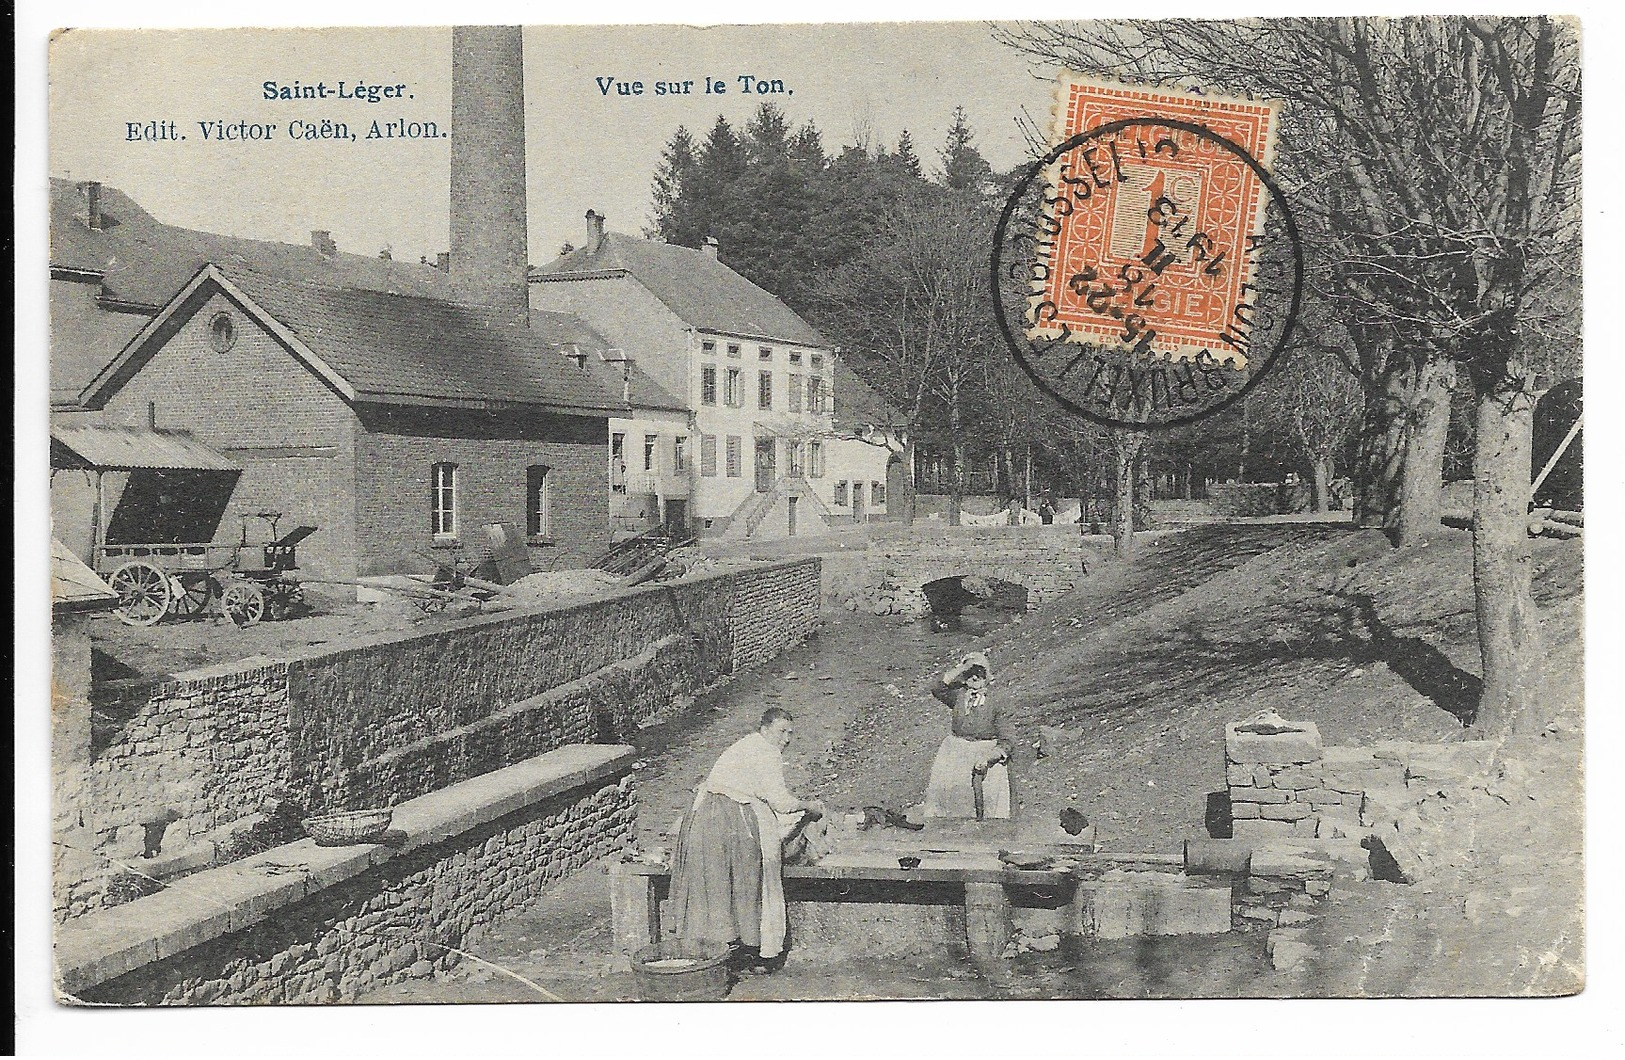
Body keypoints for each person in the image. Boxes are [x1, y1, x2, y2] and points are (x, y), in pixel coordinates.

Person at [668, 707, 824, 970]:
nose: (786, 739)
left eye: (790, 733)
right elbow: (780, 801)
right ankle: (767, 953)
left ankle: (722, 951)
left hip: (705, 819)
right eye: (781, 732)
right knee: (764, 877)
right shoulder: (768, 753)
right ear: (764, 729)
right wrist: (809, 806)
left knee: (719, 887)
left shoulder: (744, 744)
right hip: (735, 820)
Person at [921, 652, 1015, 819]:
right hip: (955, 752)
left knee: (987, 804)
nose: (974, 677)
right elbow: (937, 687)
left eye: (980, 673)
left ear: (987, 676)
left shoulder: (997, 700)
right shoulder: (958, 695)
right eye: (970, 674)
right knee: (949, 801)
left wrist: (989, 757)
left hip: (986, 752)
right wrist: (963, 667)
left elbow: (1007, 740)